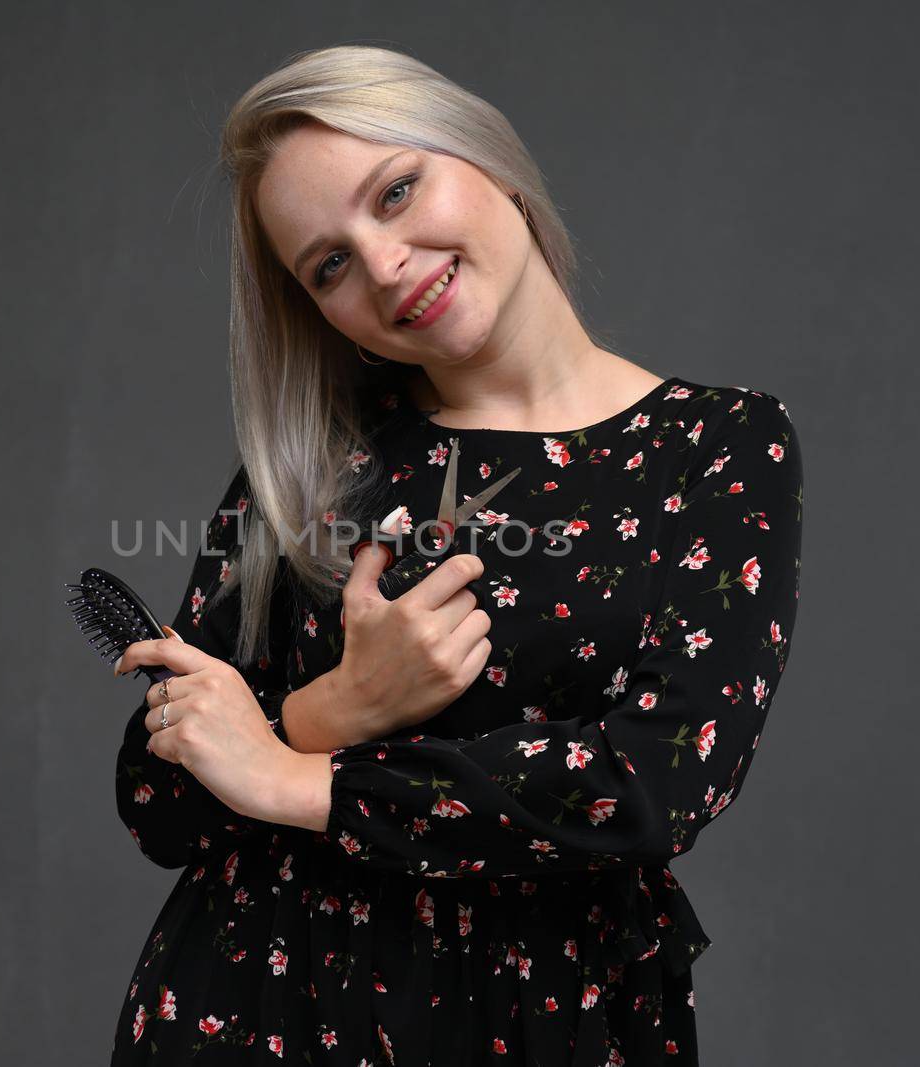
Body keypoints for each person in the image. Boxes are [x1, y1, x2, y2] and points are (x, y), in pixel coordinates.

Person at [107, 44, 804, 1066]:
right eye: (329, 265)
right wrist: (330, 709)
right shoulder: (313, 463)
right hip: (264, 1004)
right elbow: (155, 797)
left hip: (549, 1019)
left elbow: (655, 780)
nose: (384, 265)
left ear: (487, 157)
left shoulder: (717, 445)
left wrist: (306, 782)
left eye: (396, 191)